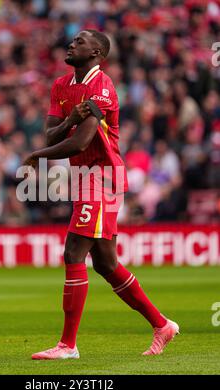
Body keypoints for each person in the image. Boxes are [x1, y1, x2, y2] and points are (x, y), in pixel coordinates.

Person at [24, 30, 179, 359]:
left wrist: (39, 153)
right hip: (84, 177)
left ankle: (67, 345)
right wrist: (69, 119)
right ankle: (162, 325)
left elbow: (79, 142)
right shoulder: (60, 86)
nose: (71, 44)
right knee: (106, 264)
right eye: (73, 40)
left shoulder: (102, 86)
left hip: (103, 177)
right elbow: (52, 131)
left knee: (73, 252)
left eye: (80, 41)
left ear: (97, 53)